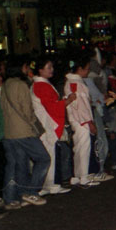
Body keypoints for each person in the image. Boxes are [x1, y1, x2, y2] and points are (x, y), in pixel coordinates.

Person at [0, 56, 51, 208]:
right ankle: (32, 192)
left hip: (9, 132)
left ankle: (11, 197)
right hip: (23, 131)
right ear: (21, 68)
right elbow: (28, 111)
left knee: (16, 165)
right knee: (43, 158)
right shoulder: (21, 85)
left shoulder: (5, 84)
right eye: (26, 67)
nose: (28, 69)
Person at [31, 56, 74, 195]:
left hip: (44, 123)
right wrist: (67, 101)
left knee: (48, 154)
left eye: (51, 67)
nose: (52, 70)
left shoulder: (39, 84)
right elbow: (52, 106)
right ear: (40, 70)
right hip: (47, 123)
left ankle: (46, 185)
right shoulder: (42, 85)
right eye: (48, 67)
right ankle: (50, 184)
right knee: (50, 155)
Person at [64, 55, 105, 187]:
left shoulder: (70, 82)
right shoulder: (77, 83)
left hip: (76, 120)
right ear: (80, 69)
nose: (88, 71)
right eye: (86, 69)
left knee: (78, 148)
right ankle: (84, 176)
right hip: (81, 120)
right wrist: (88, 122)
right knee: (84, 148)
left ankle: (77, 176)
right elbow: (81, 106)